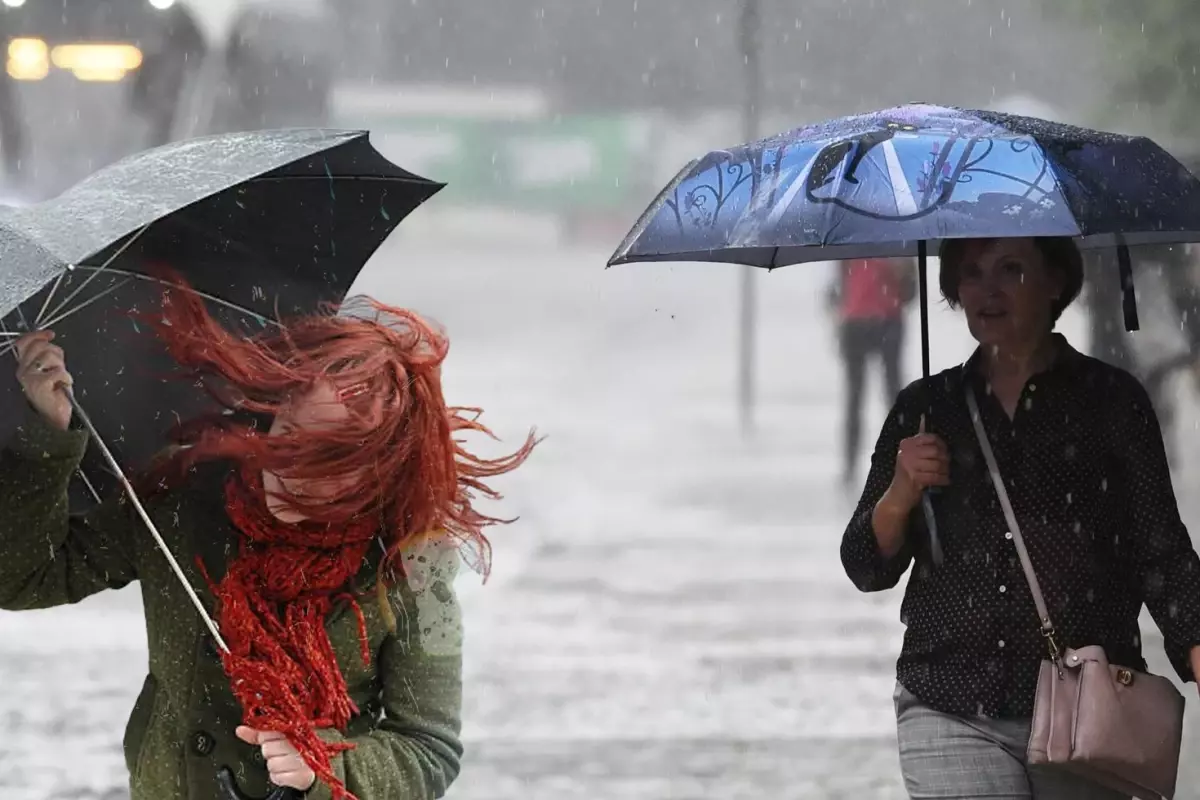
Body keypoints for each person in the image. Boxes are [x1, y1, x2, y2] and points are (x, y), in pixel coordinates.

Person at [0, 275, 537, 800]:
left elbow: (429, 749)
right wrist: (43, 434)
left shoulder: (416, 560)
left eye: (327, 461)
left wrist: (328, 766)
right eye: (287, 440)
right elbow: (23, 579)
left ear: (379, 468)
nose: (292, 472)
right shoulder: (182, 496)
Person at [840, 236, 1200, 799]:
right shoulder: (925, 410)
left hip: (1089, 705)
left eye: (1011, 269)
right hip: (948, 699)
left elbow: (1161, 551)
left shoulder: (1112, 402)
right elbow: (866, 564)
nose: (988, 289)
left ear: (1055, 281)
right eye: (973, 271)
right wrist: (901, 491)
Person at [827, 256, 916, 487]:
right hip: (859, 320)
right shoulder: (897, 234)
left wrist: (902, 275)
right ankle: (850, 465)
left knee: (891, 397)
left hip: (883, 318)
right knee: (859, 397)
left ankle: (898, 460)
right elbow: (836, 287)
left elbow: (910, 292)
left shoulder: (894, 240)